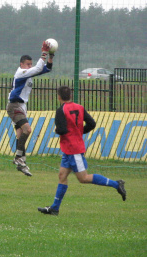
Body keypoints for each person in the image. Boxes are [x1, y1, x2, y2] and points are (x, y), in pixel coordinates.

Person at [38, 86, 126, 216]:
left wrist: (56, 130)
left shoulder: (61, 110)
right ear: (70, 96)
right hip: (70, 149)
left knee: (83, 178)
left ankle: (116, 184)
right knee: (62, 176)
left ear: (59, 97)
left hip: (73, 149)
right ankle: (54, 208)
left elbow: (61, 130)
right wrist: (80, 132)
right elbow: (92, 123)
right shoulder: (79, 107)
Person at [6, 41, 54, 176]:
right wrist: (44, 53)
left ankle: (22, 162)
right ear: (21, 65)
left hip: (21, 106)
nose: (29, 66)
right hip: (14, 105)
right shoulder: (21, 72)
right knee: (28, 129)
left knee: (20, 135)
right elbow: (38, 68)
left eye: (30, 64)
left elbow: (47, 69)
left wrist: (51, 56)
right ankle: (18, 158)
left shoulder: (28, 74)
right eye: (27, 64)